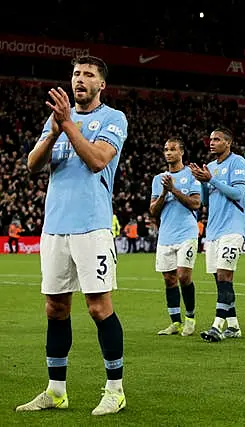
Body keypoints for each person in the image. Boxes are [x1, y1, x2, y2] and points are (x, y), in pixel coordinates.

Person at [16, 55, 128, 415]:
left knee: (98, 308)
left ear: (101, 85)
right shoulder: (56, 122)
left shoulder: (113, 119)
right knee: (55, 308)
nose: (80, 79)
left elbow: (97, 161)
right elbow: (33, 165)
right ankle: (56, 390)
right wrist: (54, 129)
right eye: (77, 74)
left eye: (89, 75)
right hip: (55, 227)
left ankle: (115, 390)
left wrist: (69, 125)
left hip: (92, 226)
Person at [190, 127, 245, 342]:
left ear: (228, 142)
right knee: (220, 280)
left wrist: (211, 180)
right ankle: (233, 326)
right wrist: (203, 181)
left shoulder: (238, 162)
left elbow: (238, 194)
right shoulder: (212, 167)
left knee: (225, 275)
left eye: (217, 139)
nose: (212, 142)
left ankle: (217, 326)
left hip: (232, 229)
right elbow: (206, 201)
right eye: (211, 139)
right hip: (213, 230)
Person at [150, 138, 201, 337]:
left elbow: (195, 204)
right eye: (166, 149)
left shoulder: (191, 174)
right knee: (169, 280)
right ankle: (175, 323)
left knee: (183, 276)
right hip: (165, 236)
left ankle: (190, 317)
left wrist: (174, 190)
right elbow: (153, 210)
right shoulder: (158, 179)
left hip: (186, 233)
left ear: (181, 152)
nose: (168, 153)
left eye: (172, 149)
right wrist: (164, 192)